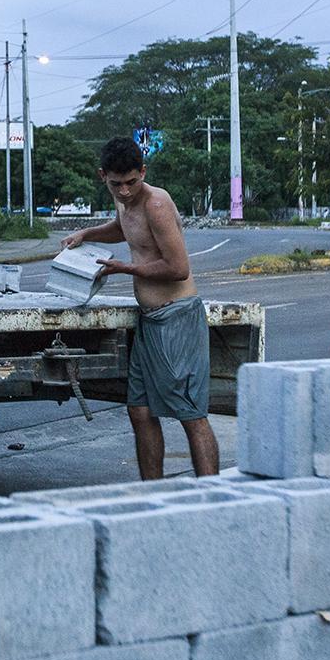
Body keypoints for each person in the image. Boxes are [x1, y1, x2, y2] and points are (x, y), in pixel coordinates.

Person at [63, 137, 219, 479]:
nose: (124, 191)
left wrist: (126, 269)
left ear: (143, 173)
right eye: (116, 184)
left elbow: (178, 268)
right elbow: (123, 229)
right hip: (149, 320)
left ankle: (214, 495)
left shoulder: (156, 204)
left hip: (177, 316)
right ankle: (154, 494)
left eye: (132, 182)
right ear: (102, 175)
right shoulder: (124, 202)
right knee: (140, 411)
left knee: (190, 412)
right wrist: (86, 234)